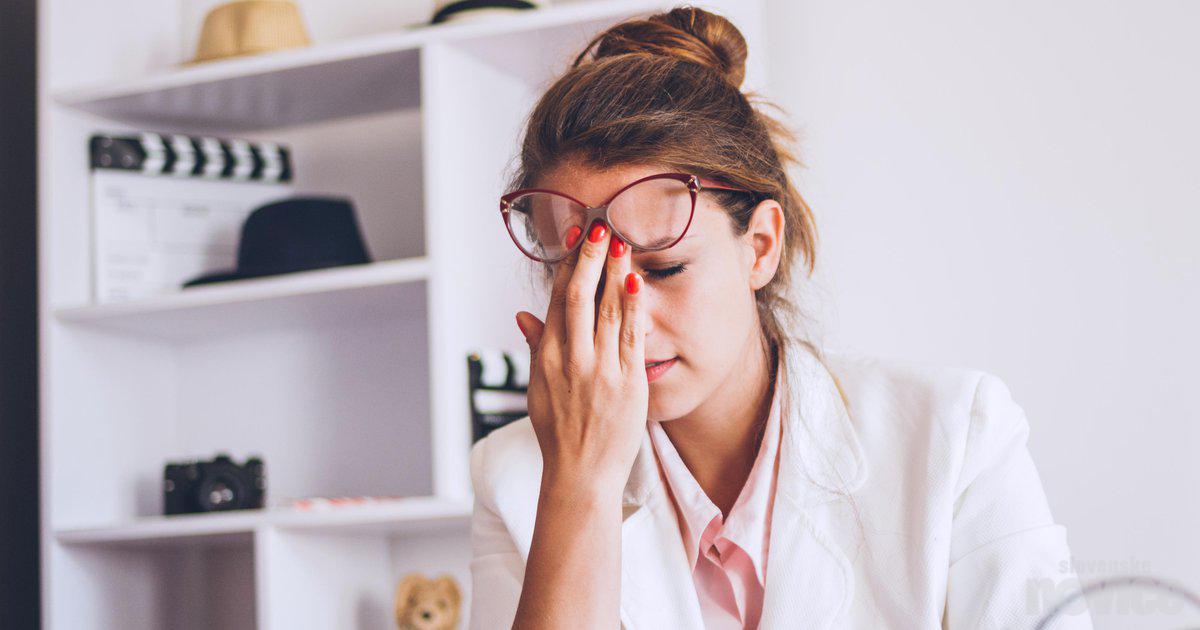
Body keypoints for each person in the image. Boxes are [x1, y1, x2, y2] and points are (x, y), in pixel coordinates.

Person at [469, 6, 1093, 629]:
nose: (628, 322)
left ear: (761, 246)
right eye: (583, 277)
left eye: (663, 270)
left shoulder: (957, 438)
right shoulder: (514, 477)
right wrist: (580, 487)